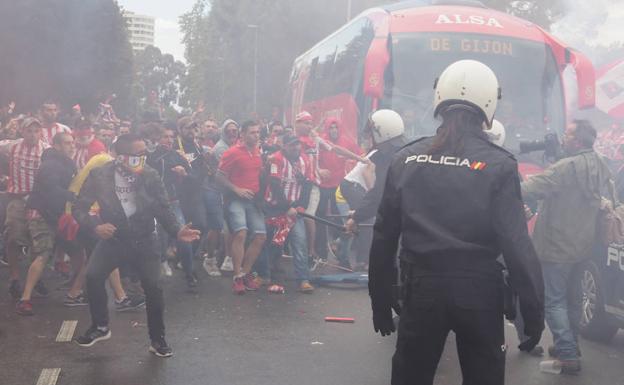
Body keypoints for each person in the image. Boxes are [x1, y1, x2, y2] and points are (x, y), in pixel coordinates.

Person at [368, 60, 544, 385]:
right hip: (479, 293)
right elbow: (518, 246)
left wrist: (379, 298)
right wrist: (533, 312)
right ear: (489, 103)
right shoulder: (500, 165)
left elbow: (383, 236)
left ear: (439, 98)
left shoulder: (405, 159)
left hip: (421, 290)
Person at [73, 134, 200, 357]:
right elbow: (79, 208)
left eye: (145, 153)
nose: (143, 158)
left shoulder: (149, 175)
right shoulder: (100, 175)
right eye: (138, 154)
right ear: (121, 156)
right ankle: (100, 326)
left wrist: (178, 230)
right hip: (114, 240)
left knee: (153, 288)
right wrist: (96, 227)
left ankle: (158, 339)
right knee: (92, 276)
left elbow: (163, 207)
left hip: (145, 239)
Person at [521, 119, 611, 374]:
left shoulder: (566, 167)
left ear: (578, 140)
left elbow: (530, 187)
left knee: (554, 301)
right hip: (584, 245)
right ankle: (569, 344)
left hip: (557, 245)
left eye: (568, 134)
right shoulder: (600, 163)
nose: (563, 137)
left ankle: (568, 355)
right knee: (573, 297)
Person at [344, 109, 408, 269]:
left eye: (372, 133)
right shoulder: (389, 155)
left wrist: (356, 217)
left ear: (383, 133)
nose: (369, 137)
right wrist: (358, 214)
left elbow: (378, 193)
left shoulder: (394, 158)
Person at [258, 133, 314, 292]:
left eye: (297, 144)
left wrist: (302, 206)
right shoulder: (276, 159)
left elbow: (308, 185)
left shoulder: (305, 160)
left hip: (295, 209)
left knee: (299, 241)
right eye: (291, 144)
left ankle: (303, 279)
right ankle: (265, 274)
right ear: (284, 146)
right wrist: (286, 208)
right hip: (274, 208)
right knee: (270, 242)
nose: (295, 147)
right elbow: (274, 185)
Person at [1, 117, 49, 300]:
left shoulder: (46, 149)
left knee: (36, 240)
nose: (33, 134)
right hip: (18, 198)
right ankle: (14, 277)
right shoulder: (11, 146)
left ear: (40, 132)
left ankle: (35, 277)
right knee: (12, 235)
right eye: (29, 130)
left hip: (38, 200)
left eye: (36, 131)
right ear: (23, 132)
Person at [217, 120, 266, 294]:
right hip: (235, 199)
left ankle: (246, 273)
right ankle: (237, 276)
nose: (256, 135)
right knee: (241, 233)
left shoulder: (258, 153)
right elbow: (219, 176)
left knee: (260, 236)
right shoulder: (232, 153)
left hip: (253, 200)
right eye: (252, 132)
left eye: (258, 132)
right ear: (243, 134)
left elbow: (260, 175)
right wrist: (236, 189)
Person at [316, 117, 362, 262]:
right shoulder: (321, 141)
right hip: (322, 186)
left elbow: (360, 154)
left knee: (342, 220)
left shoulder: (346, 141)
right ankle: (321, 254)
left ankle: (338, 247)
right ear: (327, 129)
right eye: (331, 128)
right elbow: (312, 160)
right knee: (320, 219)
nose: (333, 131)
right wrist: (319, 170)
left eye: (336, 128)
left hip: (340, 187)